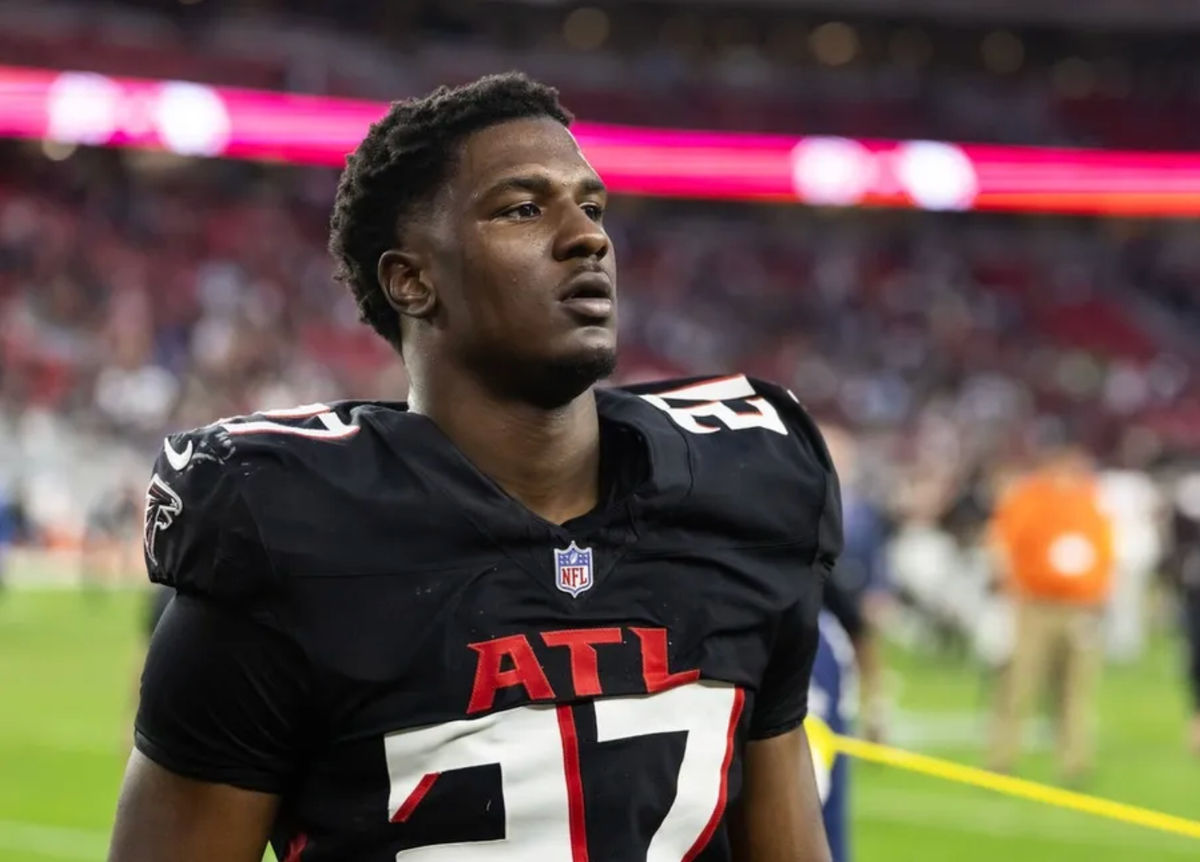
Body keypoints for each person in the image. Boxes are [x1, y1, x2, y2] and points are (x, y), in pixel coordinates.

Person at [107, 74, 841, 862]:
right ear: (411, 280)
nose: (587, 238)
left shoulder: (743, 497)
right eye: (523, 209)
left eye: (592, 208)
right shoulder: (293, 538)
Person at [986, 445, 1115, 783]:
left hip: (1080, 607)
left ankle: (1075, 762)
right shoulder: (1030, 498)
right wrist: (1011, 584)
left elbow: (1105, 551)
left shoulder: (1090, 501)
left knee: (1076, 687)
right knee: (1019, 682)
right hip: (1036, 605)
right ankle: (1002, 756)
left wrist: (1100, 595)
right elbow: (1003, 541)